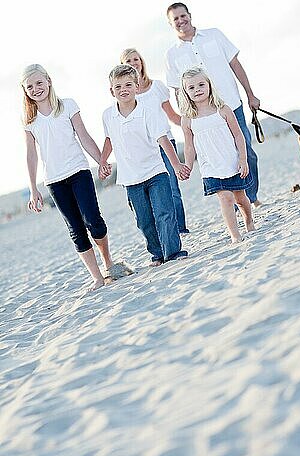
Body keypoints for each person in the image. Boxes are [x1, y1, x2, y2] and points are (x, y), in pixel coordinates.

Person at [21, 63, 123, 292]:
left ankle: (107, 261)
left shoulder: (67, 105)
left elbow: (84, 136)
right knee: (75, 229)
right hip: (54, 181)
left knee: (93, 220)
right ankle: (97, 277)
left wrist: (101, 161)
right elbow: (30, 155)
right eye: (30, 86)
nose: (36, 89)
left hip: (79, 172)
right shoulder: (29, 120)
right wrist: (33, 188)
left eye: (39, 83)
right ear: (25, 91)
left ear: (48, 81)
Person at [165, 2, 263, 208]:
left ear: (190, 15)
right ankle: (236, 201)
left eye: (183, 16)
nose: (181, 21)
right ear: (170, 23)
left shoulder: (214, 35)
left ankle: (250, 198)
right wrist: (186, 117)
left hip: (230, 105)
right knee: (219, 159)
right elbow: (177, 90)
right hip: (202, 116)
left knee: (246, 151)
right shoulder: (172, 54)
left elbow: (235, 64)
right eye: (176, 18)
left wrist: (251, 95)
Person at [99, 64, 191, 266]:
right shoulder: (108, 115)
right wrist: (103, 161)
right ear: (111, 90)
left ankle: (173, 252)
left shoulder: (148, 110)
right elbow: (109, 140)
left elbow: (163, 139)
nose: (124, 90)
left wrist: (175, 165)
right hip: (130, 178)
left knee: (164, 213)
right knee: (144, 221)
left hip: (156, 172)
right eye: (118, 86)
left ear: (137, 85)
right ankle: (158, 254)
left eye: (128, 84)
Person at [179, 66, 255, 244]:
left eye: (200, 84)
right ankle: (235, 235)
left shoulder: (223, 110)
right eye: (191, 87)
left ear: (209, 85)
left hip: (232, 162)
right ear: (185, 92)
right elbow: (189, 146)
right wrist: (188, 166)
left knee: (241, 198)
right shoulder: (187, 119)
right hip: (210, 167)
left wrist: (243, 159)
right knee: (226, 198)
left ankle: (249, 221)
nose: (197, 89)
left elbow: (238, 135)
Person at [120, 48, 189, 233]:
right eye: (128, 60)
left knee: (172, 188)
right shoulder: (124, 95)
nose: (133, 62)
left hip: (165, 143)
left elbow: (173, 116)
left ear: (142, 62)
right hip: (142, 150)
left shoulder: (157, 87)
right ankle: (163, 230)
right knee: (152, 195)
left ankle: (180, 229)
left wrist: (195, 122)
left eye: (136, 59)